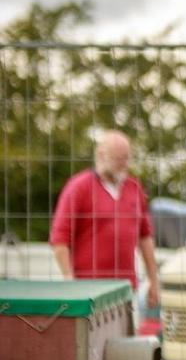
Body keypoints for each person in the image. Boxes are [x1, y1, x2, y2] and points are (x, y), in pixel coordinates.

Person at [50, 130, 159, 308]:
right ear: (101, 155)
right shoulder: (78, 187)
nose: (124, 164)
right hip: (88, 292)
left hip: (125, 290)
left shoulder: (134, 188)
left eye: (126, 158)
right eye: (118, 159)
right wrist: (68, 279)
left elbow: (145, 238)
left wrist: (153, 280)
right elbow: (59, 239)